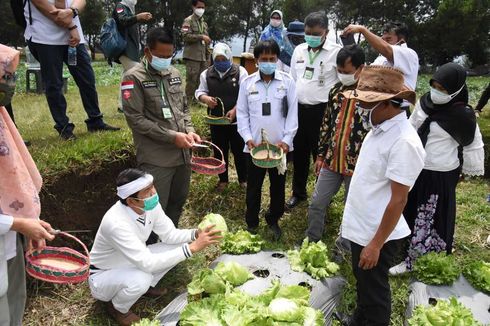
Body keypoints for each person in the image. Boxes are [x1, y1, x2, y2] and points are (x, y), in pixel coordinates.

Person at [339, 66, 425, 325]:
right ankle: (359, 320)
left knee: (375, 291)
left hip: (377, 234)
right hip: (362, 224)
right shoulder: (379, 128)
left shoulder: (404, 142)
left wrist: (375, 244)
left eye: (367, 103)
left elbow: (399, 199)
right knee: (363, 282)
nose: (361, 108)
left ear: (389, 104)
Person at [89, 168, 221, 326]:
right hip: (104, 274)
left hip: (131, 260)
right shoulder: (116, 223)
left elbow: (170, 234)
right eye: (147, 191)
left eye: (152, 186)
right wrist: (192, 248)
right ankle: (118, 308)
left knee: (178, 245)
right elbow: (147, 263)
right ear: (131, 201)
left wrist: (195, 234)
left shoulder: (148, 206)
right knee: (141, 278)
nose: (153, 193)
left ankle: (144, 289)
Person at [389, 63, 485, 276]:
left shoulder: (463, 115)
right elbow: (411, 127)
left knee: (429, 214)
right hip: (416, 167)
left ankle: (418, 258)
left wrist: (470, 169)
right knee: (409, 207)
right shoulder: (425, 103)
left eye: (443, 89)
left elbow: (473, 144)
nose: (437, 92)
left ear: (455, 90)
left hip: (440, 172)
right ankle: (403, 246)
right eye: (435, 86)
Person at [122, 27, 201, 227]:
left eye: (169, 55)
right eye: (160, 55)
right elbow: (136, 119)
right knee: (155, 209)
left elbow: (183, 108)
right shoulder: (133, 78)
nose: (165, 60)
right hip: (156, 158)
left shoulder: (173, 72)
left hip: (182, 155)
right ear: (147, 51)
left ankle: (169, 245)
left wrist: (190, 130)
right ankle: (151, 250)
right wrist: (172, 136)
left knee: (177, 202)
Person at [0, 43, 55, 326]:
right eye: (4, 76)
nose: (9, 84)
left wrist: (26, 222)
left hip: (8, 240)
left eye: (10, 76)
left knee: (14, 304)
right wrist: (21, 224)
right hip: (9, 232)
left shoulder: (2, 119)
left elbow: (12, 184)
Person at [25, 0, 120, 140]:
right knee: (54, 84)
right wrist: (71, 26)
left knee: (87, 78)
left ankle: (95, 120)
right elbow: (49, 8)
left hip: (75, 36)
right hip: (45, 37)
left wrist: (72, 11)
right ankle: (64, 127)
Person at [303, 45, 369, 243]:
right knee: (317, 202)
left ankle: (345, 246)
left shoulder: (372, 94)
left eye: (347, 72)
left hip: (357, 164)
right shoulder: (336, 90)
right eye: (339, 71)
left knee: (352, 209)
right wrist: (321, 155)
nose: (342, 75)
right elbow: (326, 124)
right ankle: (312, 239)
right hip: (332, 160)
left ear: (361, 68)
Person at [237, 40, 298, 241]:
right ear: (256, 61)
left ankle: (273, 220)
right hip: (254, 148)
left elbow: (292, 115)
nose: (268, 62)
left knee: (278, 187)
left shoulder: (287, 82)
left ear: (277, 60)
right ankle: (252, 223)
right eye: (264, 59)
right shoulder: (247, 84)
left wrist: (287, 140)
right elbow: (242, 114)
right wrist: (247, 138)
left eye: (272, 59)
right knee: (253, 187)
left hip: (279, 147)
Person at [287, 11, 342, 210]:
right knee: (300, 154)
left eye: (316, 33)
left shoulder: (336, 52)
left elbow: (342, 81)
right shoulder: (299, 50)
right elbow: (293, 79)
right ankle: (298, 193)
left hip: (323, 112)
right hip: (299, 111)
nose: (311, 36)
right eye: (308, 32)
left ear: (326, 32)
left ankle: (321, 199)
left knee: (321, 156)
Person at [195, 43, 249, 191]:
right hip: (216, 121)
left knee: (239, 151)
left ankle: (243, 179)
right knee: (220, 150)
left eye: (223, 59)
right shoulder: (206, 74)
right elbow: (199, 92)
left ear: (229, 57)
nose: (220, 62)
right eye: (217, 59)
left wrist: (235, 110)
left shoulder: (240, 71)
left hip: (237, 122)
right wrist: (205, 99)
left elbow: (246, 95)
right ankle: (223, 180)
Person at [343, 21, 419, 116]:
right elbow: (367, 76)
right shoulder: (380, 58)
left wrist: (363, 30)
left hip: (396, 110)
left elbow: (386, 49)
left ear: (402, 40)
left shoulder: (409, 53)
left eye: (388, 39)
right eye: (383, 39)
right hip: (378, 107)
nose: (383, 41)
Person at [113, 0, 153, 112]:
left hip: (131, 49)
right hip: (124, 49)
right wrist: (138, 17)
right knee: (140, 72)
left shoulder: (129, 9)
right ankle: (146, 104)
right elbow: (122, 21)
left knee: (126, 77)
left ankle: (122, 105)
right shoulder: (121, 6)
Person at [182, 0, 210, 104]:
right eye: (199, 7)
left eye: (203, 7)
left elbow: (206, 42)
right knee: (191, 80)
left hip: (203, 57)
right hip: (192, 56)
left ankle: (197, 101)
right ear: (193, 7)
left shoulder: (204, 23)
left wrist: (208, 57)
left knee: (201, 80)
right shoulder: (188, 21)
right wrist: (201, 36)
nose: (201, 9)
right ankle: (188, 102)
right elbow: (185, 36)